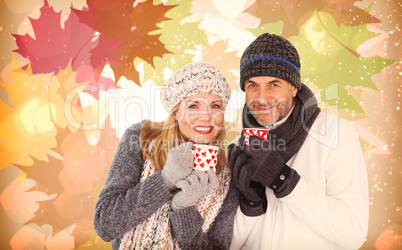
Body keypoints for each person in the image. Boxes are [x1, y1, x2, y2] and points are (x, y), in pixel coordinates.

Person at [229, 33, 369, 249]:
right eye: (252, 85)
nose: (261, 97)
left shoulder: (334, 133)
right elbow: (230, 244)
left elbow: (353, 233)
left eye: (273, 85)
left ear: (294, 87)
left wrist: (282, 180)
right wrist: (251, 203)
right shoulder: (243, 146)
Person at [94, 61, 239, 249]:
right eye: (194, 105)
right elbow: (105, 225)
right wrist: (165, 181)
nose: (206, 116)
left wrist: (184, 209)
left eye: (215, 105)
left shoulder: (227, 176)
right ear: (176, 112)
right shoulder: (140, 139)